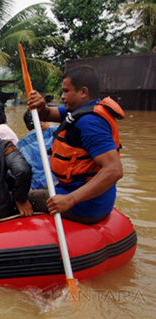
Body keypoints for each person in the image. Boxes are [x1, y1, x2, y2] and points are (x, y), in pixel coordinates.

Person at [27, 65, 124, 225]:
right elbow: (48, 113)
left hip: (83, 206)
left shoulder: (90, 123)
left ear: (83, 92)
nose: (62, 96)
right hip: (80, 195)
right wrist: (41, 104)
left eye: (66, 91)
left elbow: (114, 170)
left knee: (18, 197)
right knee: (43, 187)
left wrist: (70, 200)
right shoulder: (79, 111)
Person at [17, 110, 58, 190]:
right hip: (60, 183)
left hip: (38, 188)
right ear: (41, 122)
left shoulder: (21, 145)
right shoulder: (55, 133)